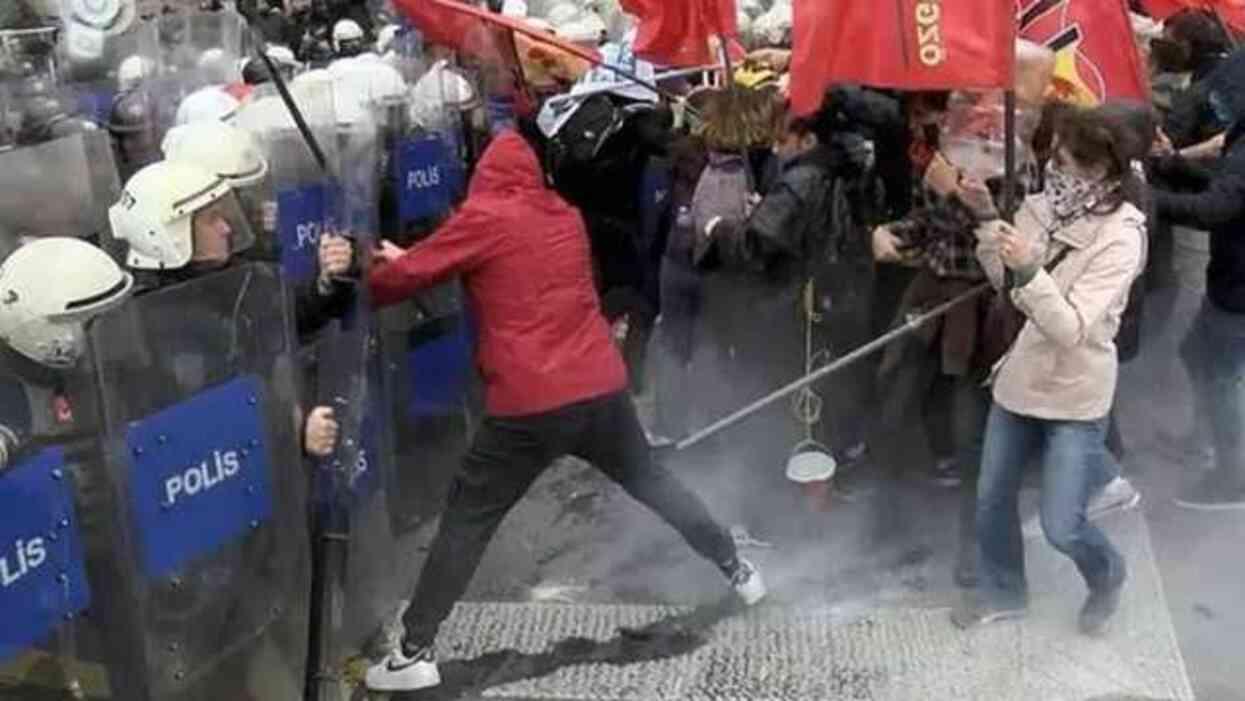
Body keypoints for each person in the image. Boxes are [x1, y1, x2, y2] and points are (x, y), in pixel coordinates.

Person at [362, 122, 765, 693]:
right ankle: (738, 569)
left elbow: (403, 280)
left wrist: (368, 273)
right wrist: (422, 256)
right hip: (598, 384)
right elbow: (505, 267)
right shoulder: (562, 214)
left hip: (529, 400)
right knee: (651, 480)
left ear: (484, 177)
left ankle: (414, 650)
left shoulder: (483, 218)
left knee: (469, 517)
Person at [953, 105, 1146, 635]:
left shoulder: (1122, 237)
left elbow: (1070, 326)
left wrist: (1031, 268)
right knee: (992, 498)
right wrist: (989, 218)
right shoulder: (1039, 209)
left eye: (1065, 161)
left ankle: (1107, 575)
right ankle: (1005, 593)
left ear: (1101, 170)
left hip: (1075, 395)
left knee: (1063, 526)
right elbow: (1003, 283)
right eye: (1053, 157)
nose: (1053, 169)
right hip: (1018, 381)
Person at [1150, 51, 1245, 509]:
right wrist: (1173, 165)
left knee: (1220, 373)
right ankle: (1205, 437)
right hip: (1231, 280)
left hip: (1239, 290)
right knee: (1200, 357)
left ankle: (1232, 476)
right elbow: (1227, 186)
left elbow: (1216, 208)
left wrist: (1147, 197)